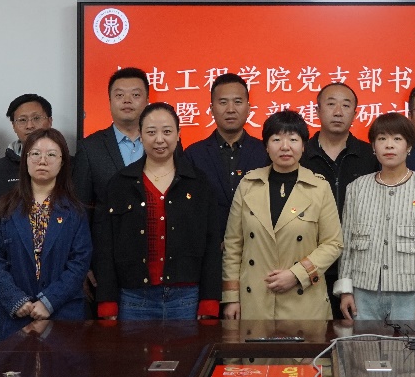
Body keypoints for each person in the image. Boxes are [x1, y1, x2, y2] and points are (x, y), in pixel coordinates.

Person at [96, 103, 223, 320]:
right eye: (151, 132)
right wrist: (107, 300)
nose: (159, 139)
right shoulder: (120, 184)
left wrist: (210, 299)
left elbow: (212, 244)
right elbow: (105, 246)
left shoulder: (199, 183)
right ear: (140, 134)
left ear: (178, 134)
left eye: (167, 131)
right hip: (134, 297)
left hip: (186, 298)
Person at [221, 110, 342, 321]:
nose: (285, 147)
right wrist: (231, 298)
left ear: (303, 146)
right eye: (276, 139)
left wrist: (297, 274)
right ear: (266, 146)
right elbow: (233, 245)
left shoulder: (319, 187)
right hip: (256, 299)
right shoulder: (248, 185)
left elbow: (333, 243)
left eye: (293, 139)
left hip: (304, 300)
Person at [335, 112, 415, 323]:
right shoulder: (356, 188)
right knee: (363, 343)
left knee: (408, 344)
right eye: (382, 138)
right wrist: (345, 290)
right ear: (373, 146)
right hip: (363, 291)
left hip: (410, 293)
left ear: (409, 146)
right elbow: (347, 243)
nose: (389, 145)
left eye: (397, 139)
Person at [0, 128, 90, 346]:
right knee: (13, 367)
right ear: (25, 160)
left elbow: (79, 263)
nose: (43, 160)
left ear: (62, 162)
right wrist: (16, 300)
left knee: (61, 367)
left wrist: (49, 301)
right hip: (16, 314)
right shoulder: (4, 208)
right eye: (35, 154)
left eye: (51, 154)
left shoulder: (75, 211)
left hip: (63, 311)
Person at [73, 67, 150, 314]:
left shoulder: (164, 143)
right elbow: (81, 210)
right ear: (109, 101)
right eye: (119, 95)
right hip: (106, 263)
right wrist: (83, 265)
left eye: (135, 94)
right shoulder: (90, 148)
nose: (127, 100)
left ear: (147, 100)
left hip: (155, 260)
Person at [300, 82, 378, 317]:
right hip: (307, 263)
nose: (338, 112)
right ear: (317, 110)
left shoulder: (371, 156)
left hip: (360, 267)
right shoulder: (299, 154)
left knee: (356, 335)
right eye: (331, 104)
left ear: (355, 112)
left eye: (346, 105)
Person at [184, 73, 269, 225]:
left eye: (238, 102)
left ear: (248, 108)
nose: (230, 109)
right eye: (223, 102)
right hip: (209, 239)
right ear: (211, 109)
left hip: (255, 238)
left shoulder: (265, 152)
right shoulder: (193, 155)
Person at [0, 94, 53, 199]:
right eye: (22, 120)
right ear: (13, 126)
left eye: (36, 118)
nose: (30, 126)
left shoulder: (70, 165)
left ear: (50, 121)